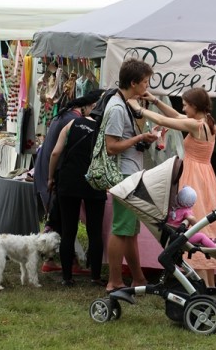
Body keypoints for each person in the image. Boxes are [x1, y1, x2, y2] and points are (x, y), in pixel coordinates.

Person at [128, 87, 216, 287]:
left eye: (186, 105)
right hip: (205, 176)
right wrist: (155, 101)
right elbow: (175, 116)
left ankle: (202, 287)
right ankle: (210, 286)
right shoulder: (208, 121)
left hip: (194, 176)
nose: (183, 109)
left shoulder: (196, 124)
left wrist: (138, 108)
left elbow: (165, 121)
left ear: (195, 106)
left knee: (193, 228)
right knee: (204, 226)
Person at [34, 91, 104, 273]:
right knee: (94, 232)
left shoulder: (68, 119)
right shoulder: (101, 128)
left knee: (67, 229)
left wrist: (50, 177)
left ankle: (66, 276)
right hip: (90, 181)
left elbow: (55, 153)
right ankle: (95, 275)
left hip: (66, 179)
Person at [104, 59, 158, 293]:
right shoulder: (117, 108)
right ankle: (114, 280)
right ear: (134, 83)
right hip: (124, 173)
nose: (147, 86)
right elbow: (111, 147)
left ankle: (138, 278)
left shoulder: (124, 104)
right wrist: (140, 138)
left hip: (131, 172)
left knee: (130, 230)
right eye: (145, 82)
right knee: (120, 229)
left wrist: (143, 137)